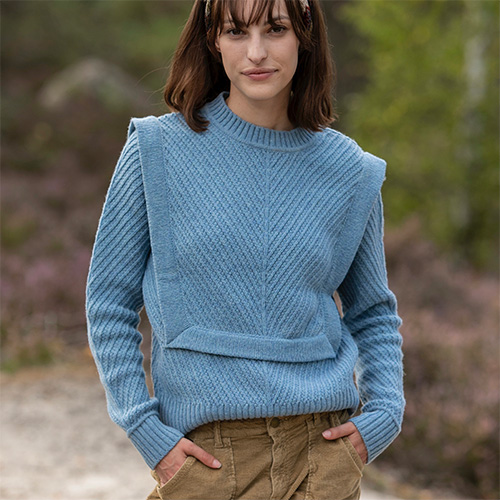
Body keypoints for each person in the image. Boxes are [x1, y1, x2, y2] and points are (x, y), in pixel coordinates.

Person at [85, 0, 405, 498]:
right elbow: (108, 302)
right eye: (236, 32)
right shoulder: (155, 149)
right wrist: (144, 428)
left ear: (304, 36)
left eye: (275, 29)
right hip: (208, 460)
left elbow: (373, 312)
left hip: (322, 457)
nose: (256, 52)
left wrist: (384, 413)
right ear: (213, 41)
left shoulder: (350, 171)